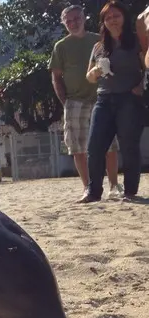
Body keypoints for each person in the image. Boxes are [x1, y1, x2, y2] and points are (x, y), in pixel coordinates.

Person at [49, 4, 123, 201]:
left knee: (109, 145)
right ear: (64, 23)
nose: (74, 23)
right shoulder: (61, 47)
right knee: (78, 147)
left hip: (102, 98)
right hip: (74, 102)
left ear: (84, 18)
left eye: (77, 18)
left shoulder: (98, 40)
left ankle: (114, 186)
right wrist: (65, 101)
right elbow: (56, 76)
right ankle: (88, 188)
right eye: (69, 20)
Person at [81, 0, 145, 203]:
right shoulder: (99, 47)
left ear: (124, 18)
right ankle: (93, 192)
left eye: (116, 16)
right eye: (108, 18)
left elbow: (148, 66)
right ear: (103, 22)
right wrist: (96, 71)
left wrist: (141, 86)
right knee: (95, 147)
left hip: (129, 98)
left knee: (129, 146)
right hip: (104, 99)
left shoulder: (138, 41)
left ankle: (130, 191)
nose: (112, 20)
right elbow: (89, 77)